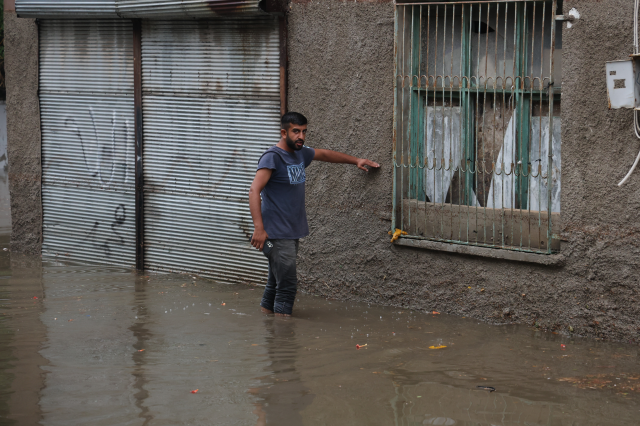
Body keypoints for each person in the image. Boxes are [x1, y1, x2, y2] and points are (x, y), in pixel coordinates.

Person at [249, 112, 380, 316]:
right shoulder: (272, 158)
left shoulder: (300, 153)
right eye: (296, 131)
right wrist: (259, 229)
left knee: (275, 282)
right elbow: (254, 190)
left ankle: (268, 330)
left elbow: (325, 154)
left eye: (304, 132)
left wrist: (356, 160)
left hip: (289, 234)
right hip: (275, 236)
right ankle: (283, 339)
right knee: (288, 286)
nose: (301, 136)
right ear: (284, 132)